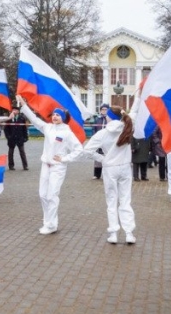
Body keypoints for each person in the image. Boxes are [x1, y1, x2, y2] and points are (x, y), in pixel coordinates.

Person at [16, 95, 83, 234]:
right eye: (54, 115)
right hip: (45, 165)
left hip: (58, 167)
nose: (55, 117)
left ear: (63, 118)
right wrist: (23, 103)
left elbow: (78, 149)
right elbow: (34, 120)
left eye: (58, 115)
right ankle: (48, 221)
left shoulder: (67, 133)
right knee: (42, 195)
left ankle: (51, 225)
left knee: (52, 195)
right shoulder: (48, 128)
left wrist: (65, 158)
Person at [83, 105, 137, 244]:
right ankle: (129, 233)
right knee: (125, 200)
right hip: (125, 167)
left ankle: (113, 233)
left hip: (110, 169)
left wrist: (103, 159)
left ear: (109, 117)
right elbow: (134, 113)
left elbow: (87, 150)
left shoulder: (103, 133)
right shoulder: (128, 128)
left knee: (111, 201)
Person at [4, 105, 29, 171]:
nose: (14, 111)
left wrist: (25, 137)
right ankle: (11, 166)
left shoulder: (22, 118)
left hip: (20, 138)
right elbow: (6, 129)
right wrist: (8, 137)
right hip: (11, 138)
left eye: (16, 110)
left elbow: (24, 128)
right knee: (10, 153)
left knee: (22, 152)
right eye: (13, 110)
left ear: (18, 111)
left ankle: (25, 166)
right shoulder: (9, 118)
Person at [91, 104, 109, 179]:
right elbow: (94, 129)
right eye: (103, 109)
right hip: (99, 140)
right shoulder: (97, 119)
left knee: (107, 157)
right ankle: (97, 174)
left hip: (107, 140)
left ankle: (107, 174)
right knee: (98, 157)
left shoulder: (110, 119)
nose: (104, 111)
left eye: (106, 109)